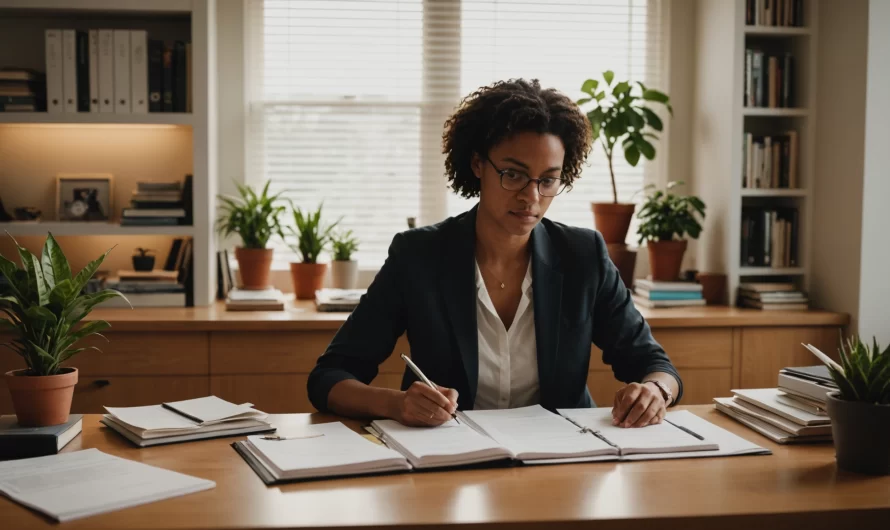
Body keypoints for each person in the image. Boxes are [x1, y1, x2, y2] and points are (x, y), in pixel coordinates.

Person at [307, 79, 682, 429]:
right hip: (450, 463)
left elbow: (655, 365)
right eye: (514, 175)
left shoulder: (583, 255)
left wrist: (655, 391)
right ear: (477, 165)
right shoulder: (418, 256)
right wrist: (397, 403)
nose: (531, 197)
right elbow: (329, 377)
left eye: (548, 180)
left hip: (559, 461)